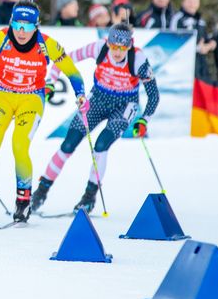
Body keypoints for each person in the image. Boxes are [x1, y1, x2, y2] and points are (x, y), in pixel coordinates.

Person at [0, 0, 86, 223]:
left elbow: (73, 72)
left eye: (28, 26)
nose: (22, 32)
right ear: (11, 23)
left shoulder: (47, 44)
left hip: (31, 100)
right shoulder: (0, 38)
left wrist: (80, 93)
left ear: (36, 26)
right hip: (2, 97)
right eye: (18, 25)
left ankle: (23, 202)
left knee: (20, 146)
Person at [29, 23, 159, 214]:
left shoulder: (138, 59)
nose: (117, 52)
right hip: (98, 98)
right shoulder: (99, 47)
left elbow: (153, 95)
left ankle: (89, 197)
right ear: (109, 42)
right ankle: (40, 192)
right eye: (114, 46)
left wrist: (144, 119)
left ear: (129, 46)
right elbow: (62, 59)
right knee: (68, 144)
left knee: (101, 145)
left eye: (122, 48)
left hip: (124, 105)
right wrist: (51, 82)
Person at [170, 0, 212, 80]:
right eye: (189, 1)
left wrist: (210, 46)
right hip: (183, 66)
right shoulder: (177, 19)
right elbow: (173, 43)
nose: (192, 4)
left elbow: (207, 41)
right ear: (183, 2)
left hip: (201, 66)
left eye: (195, 1)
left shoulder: (201, 21)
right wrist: (197, 48)